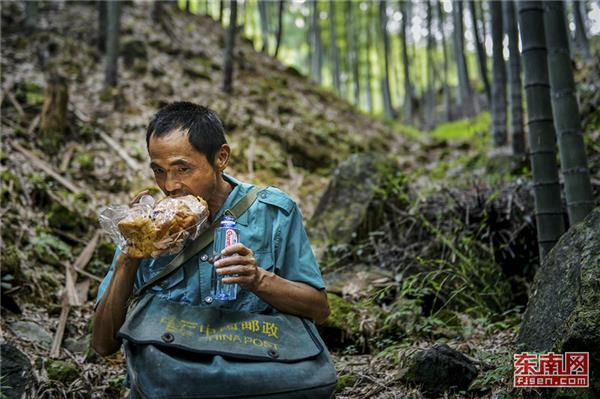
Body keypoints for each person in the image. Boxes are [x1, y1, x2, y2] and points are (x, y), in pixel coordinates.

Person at [91, 101, 330, 362]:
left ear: (221, 158)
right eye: (159, 171)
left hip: (256, 375)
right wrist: (130, 256)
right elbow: (103, 344)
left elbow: (319, 309)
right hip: (172, 379)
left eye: (183, 169)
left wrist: (258, 280)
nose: (169, 185)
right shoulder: (147, 227)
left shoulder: (273, 213)